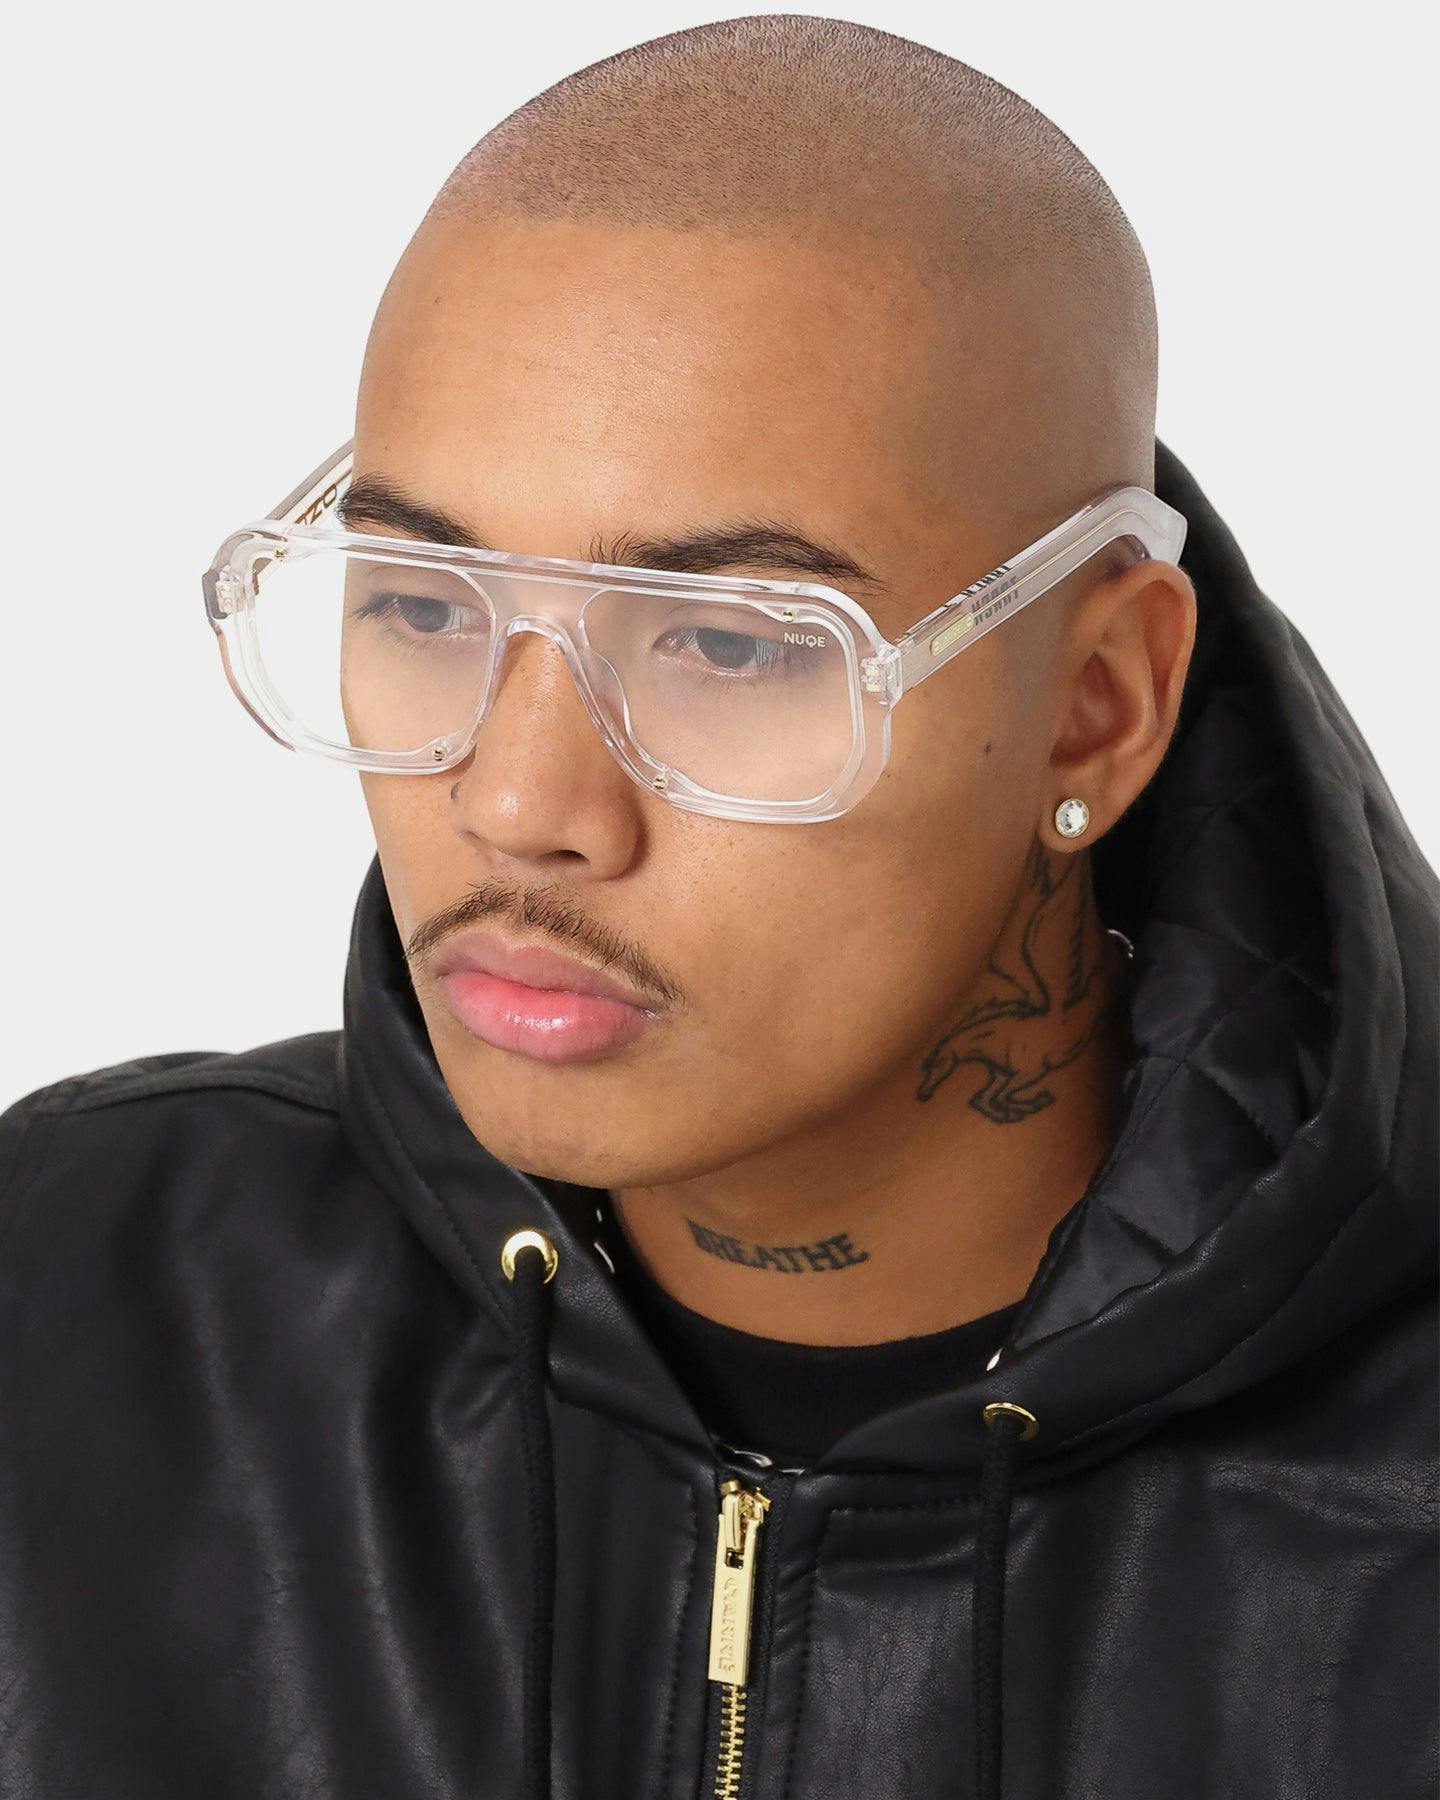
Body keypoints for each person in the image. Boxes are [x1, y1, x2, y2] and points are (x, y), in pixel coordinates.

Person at [2, 15, 1435, 1800]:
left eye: (730, 644)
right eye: (428, 606)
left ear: (1096, 705)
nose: (518, 807)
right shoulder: (72, 1292)